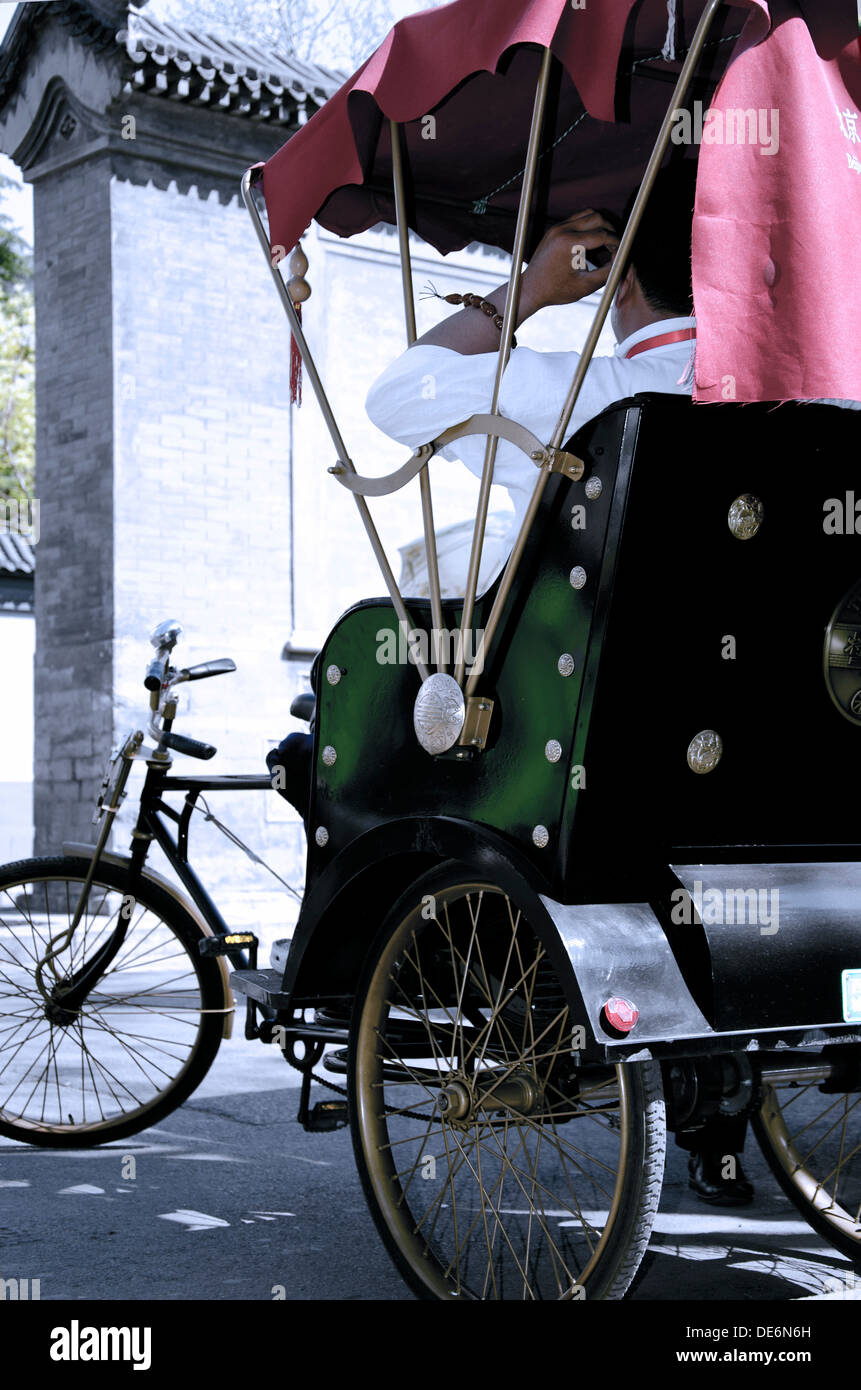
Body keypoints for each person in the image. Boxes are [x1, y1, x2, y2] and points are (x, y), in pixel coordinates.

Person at [361, 160, 754, 1206]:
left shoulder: (592, 389)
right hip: (765, 764)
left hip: (604, 756)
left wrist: (526, 294)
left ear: (616, 271)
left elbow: (395, 399)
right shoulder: (803, 389)